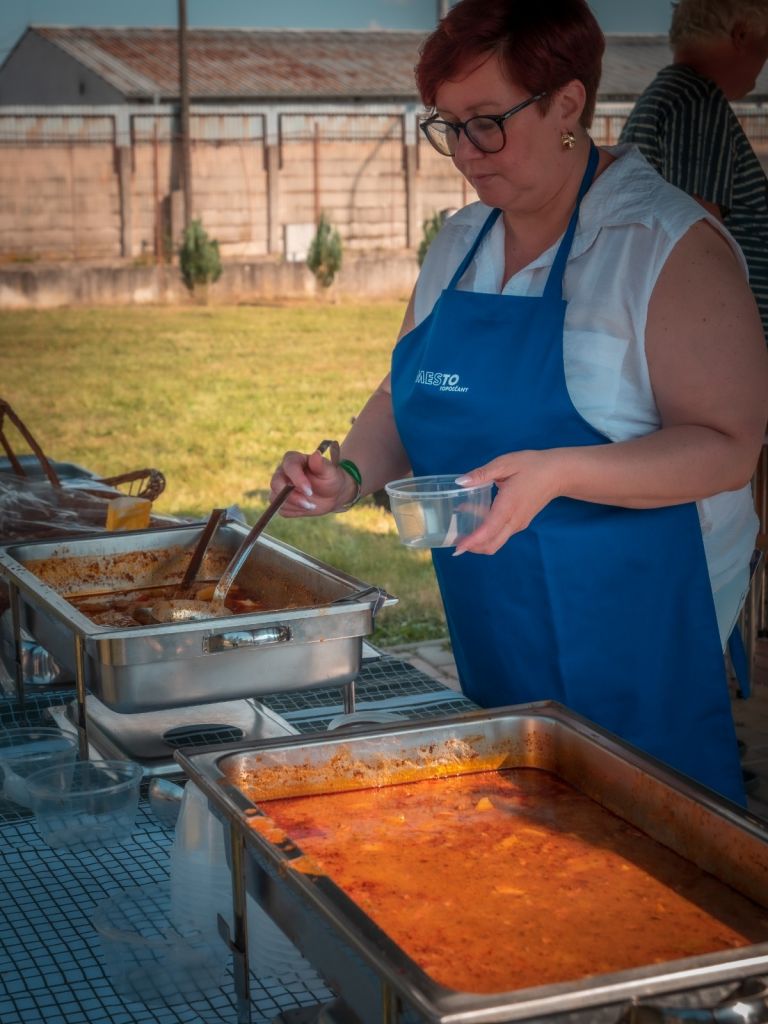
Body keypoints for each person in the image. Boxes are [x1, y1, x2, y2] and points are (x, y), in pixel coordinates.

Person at [271, 0, 768, 805]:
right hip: (493, 622)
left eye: (487, 122)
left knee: (644, 849)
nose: (465, 152)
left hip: (636, 630)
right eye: (448, 126)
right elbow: (406, 392)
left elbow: (729, 445)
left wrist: (559, 471)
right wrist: (349, 475)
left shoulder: (664, 245)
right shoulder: (461, 240)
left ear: (568, 103)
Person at [619, 0, 768, 339]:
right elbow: (696, 238)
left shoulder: (665, 96)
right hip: (720, 343)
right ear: (741, 34)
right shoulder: (696, 101)